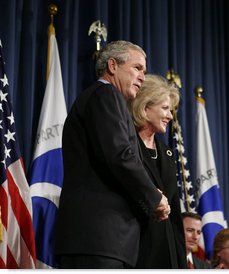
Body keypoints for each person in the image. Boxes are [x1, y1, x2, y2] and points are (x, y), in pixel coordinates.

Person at [54, 41, 170, 269]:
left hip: (104, 241)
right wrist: (153, 197)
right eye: (137, 68)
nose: (142, 77)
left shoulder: (103, 99)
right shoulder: (105, 95)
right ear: (112, 65)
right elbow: (119, 156)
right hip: (98, 239)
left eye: (144, 71)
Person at [129, 74, 187, 268]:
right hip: (138, 247)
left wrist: (179, 258)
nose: (170, 116)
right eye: (165, 109)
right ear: (145, 109)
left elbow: (176, 214)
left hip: (167, 251)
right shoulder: (126, 148)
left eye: (170, 110)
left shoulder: (167, 152)